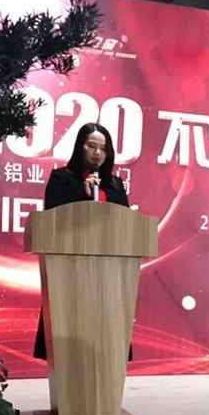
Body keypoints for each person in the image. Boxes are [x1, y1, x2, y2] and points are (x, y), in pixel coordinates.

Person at [33, 123, 130, 360]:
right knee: (70, 340)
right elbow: (53, 222)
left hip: (109, 272)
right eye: (91, 146)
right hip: (70, 272)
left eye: (103, 148)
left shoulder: (115, 185)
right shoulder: (62, 179)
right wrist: (83, 195)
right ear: (80, 147)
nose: (97, 153)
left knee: (105, 338)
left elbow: (128, 225)